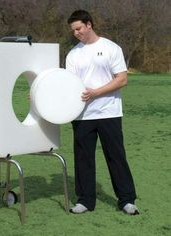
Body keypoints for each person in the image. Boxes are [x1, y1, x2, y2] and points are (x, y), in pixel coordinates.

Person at [65, 10, 139, 215]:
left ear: (89, 24)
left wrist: (96, 93)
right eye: (73, 31)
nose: (76, 33)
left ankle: (127, 200)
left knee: (116, 157)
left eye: (78, 28)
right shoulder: (73, 54)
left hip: (109, 113)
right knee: (83, 159)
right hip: (82, 116)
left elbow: (122, 79)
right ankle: (85, 201)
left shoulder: (110, 48)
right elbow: (68, 85)